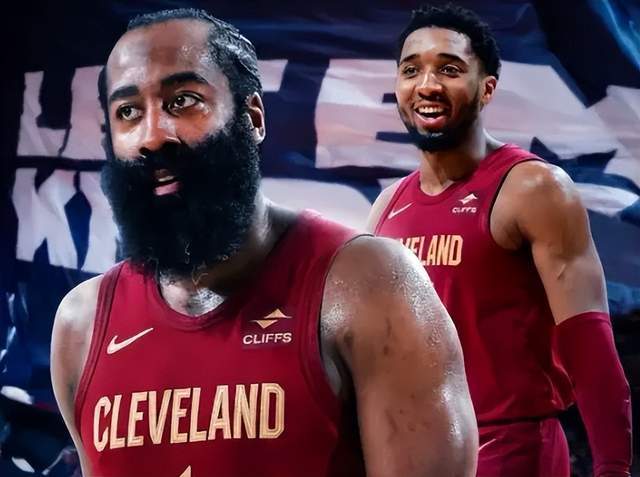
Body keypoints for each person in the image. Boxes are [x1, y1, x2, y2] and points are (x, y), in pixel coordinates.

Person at [49, 8, 477, 477]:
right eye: (128, 112)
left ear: (253, 117)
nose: (153, 135)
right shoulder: (81, 326)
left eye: (183, 100)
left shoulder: (368, 287)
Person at [368, 4, 632, 477]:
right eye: (411, 70)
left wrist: (613, 467)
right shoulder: (387, 208)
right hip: (419, 455)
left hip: (512, 451)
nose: (427, 85)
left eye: (449, 69)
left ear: (486, 88)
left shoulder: (534, 188)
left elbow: (587, 341)